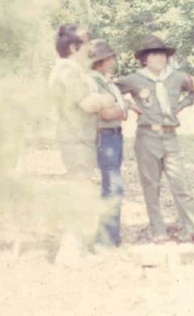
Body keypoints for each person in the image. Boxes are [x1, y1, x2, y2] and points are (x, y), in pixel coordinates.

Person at [116, 35, 194, 243]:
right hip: (147, 136)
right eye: (154, 55)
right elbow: (111, 90)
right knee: (151, 185)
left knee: (180, 183)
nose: (159, 58)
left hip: (169, 135)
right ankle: (158, 230)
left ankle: (193, 228)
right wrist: (128, 105)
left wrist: (182, 104)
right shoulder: (134, 79)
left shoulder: (176, 77)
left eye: (162, 55)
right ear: (144, 59)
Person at [48, 23, 115, 266]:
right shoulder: (68, 71)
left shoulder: (72, 70)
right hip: (75, 139)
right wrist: (106, 98)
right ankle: (69, 254)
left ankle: (77, 250)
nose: (90, 48)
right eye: (86, 43)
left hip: (81, 138)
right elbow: (87, 104)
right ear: (74, 47)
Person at [89, 39, 127, 247]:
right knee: (113, 187)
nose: (113, 61)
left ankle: (111, 235)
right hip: (105, 136)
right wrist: (122, 110)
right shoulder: (94, 81)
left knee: (112, 186)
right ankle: (106, 238)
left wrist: (120, 110)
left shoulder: (106, 81)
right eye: (109, 58)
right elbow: (106, 113)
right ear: (99, 61)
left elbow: (118, 111)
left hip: (114, 135)